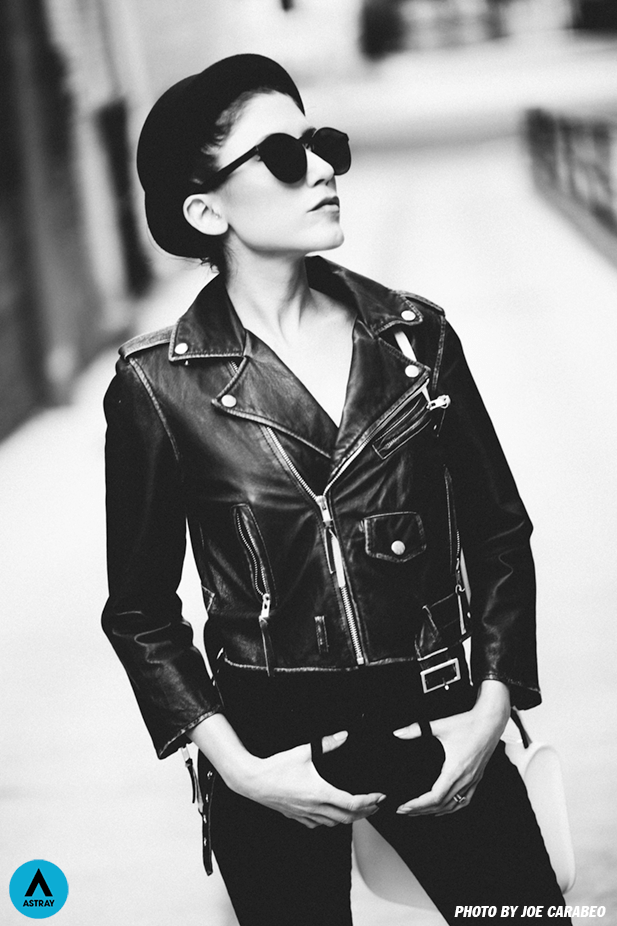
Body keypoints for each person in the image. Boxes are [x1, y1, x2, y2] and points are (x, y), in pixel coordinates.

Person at [102, 54, 570, 925]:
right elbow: (140, 613)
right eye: (283, 155)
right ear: (206, 210)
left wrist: (492, 706)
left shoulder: (414, 339)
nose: (321, 167)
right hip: (272, 754)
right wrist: (240, 770)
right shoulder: (158, 386)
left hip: (440, 724)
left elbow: (498, 535)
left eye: (322, 143)